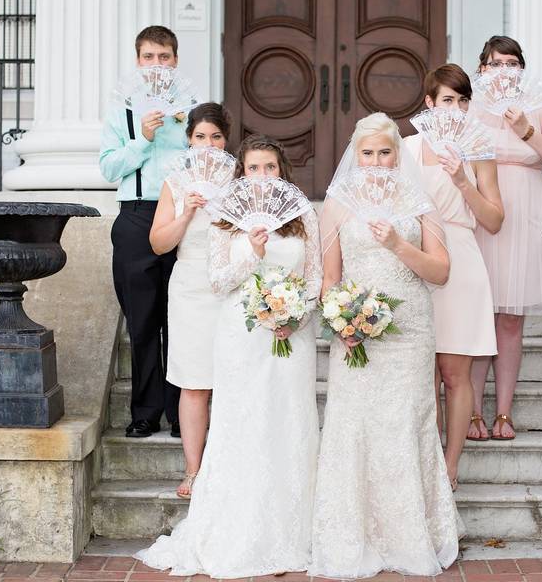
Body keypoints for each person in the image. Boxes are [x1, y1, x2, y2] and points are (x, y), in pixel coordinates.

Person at [137, 135, 322, 578]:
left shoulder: (303, 216)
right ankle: (240, 527)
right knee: (244, 425)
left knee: (289, 422)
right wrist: (251, 254)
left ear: (283, 172)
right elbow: (219, 282)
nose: (262, 176)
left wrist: (295, 316)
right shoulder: (224, 219)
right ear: (242, 173)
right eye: (254, 168)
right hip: (243, 334)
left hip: (290, 338)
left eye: (270, 168)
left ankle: (294, 529)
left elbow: (314, 278)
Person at [311, 112, 461, 578]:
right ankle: (352, 534)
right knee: (355, 427)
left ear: (398, 154)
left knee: (403, 425)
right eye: (367, 153)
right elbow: (329, 278)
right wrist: (341, 320)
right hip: (356, 334)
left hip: (410, 329)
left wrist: (399, 244)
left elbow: (441, 271)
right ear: (355, 156)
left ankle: (411, 534)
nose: (376, 161)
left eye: (385, 152)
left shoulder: (417, 201)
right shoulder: (336, 206)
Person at [469, 36, 542, 441]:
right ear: (483, 69)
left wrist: (527, 130)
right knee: (478, 316)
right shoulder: (470, 109)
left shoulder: (536, 107)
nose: (504, 71)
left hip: (525, 220)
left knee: (511, 320)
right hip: (482, 215)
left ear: (521, 70)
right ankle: (474, 412)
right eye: (496, 64)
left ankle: (504, 413)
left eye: (512, 63)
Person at [402, 64, 503, 485]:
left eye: (463, 101)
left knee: (454, 372)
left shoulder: (479, 150)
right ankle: (425, 458)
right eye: (448, 100)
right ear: (428, 103)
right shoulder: (404, 149)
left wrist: (464, 181)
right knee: (422, 372)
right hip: (416, 260)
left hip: (461, 260)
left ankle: (451, 463)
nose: (456, 108)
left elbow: (495, 220)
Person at [100, 25, 188, 438]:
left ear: (175, 61)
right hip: (135, 216)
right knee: (142, 319)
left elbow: (206, 159)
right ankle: (145, 412)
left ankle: (178, 412)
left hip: (181, 218)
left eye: (164, 57)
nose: (157, 65)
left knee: (180, 318)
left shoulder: (190, 109)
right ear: (138, 62)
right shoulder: (122, 112)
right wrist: (142, 139)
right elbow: (108, 168)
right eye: (149, 57)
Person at [149, 103, 233, 497]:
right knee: (195, 383)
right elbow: (159, 242)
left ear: (225, 141)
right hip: (190, 290)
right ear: (189, 140)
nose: (208, 144)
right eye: (201, 137)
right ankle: (194, 469)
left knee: (234, 381)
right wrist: (185, 214)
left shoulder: (238, 179)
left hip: (231, 288)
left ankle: (232, 465)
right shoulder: (176, 183)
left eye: (216, 137)